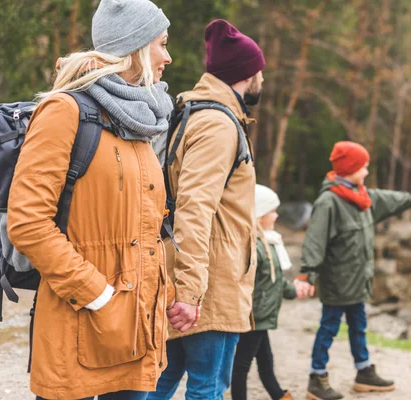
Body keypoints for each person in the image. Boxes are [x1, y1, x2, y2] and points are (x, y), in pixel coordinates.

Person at [7, 0, 179, 399]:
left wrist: (163, 293)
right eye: (161, 43)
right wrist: (97, 293)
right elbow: (28, 222)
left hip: (136, 329)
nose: (167, 56)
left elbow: (148, 224)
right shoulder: (65, 111)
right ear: (134, 46)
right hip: (81, 319)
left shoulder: (138, 121)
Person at [150, 19, 265, 400]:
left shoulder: (200, 114)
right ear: (247, 73)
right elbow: (193, 209)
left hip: (197, 277)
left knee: (162, 380)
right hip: (209, 284)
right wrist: (191, 291)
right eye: (259, 70)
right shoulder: (217, 124)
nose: (262, 77)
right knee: (208, 386)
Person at [299, 141, 411, 400]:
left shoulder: (361, 196)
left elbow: (389, 198)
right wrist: (307, 275)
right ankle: (316, 379)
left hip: (358, 282)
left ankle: (364, 372)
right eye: (363, 167)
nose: (366, 172)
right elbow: (315, 240)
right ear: (350, 168)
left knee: (359, 326)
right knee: (328, 328)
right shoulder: (329, 201)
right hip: (338, 283)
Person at [231, 185, 314, 400]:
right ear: (259, 214)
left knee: (266, 360)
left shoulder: (269, 242)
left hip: (262, 315)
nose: (277, 215)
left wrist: (294, 291)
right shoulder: (255, 246)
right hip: (254, 316)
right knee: (241, 367)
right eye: (272, 211)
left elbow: (273, 282)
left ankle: (279, 395)